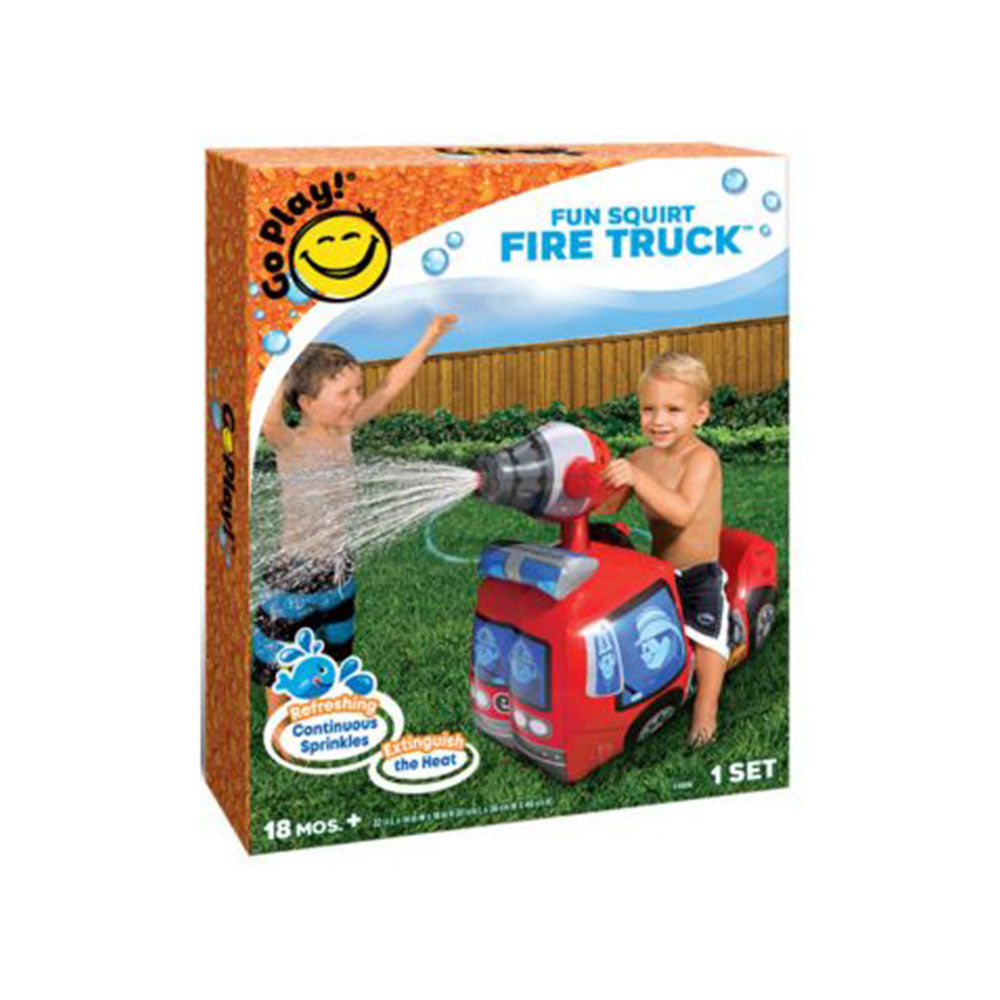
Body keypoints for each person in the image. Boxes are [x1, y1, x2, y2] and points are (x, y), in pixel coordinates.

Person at [254, 314, 459, 714]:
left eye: (357, 390)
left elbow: (389, 387)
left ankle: (321, 711)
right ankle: (279, 724)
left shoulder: (344, 432)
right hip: (295, 570)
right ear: (307, 403)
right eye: (344, 393)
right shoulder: (290, 443)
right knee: (281, 656)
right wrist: (278, 365)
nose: (355, 400)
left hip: (338, 569)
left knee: (333, 648)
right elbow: (269, 419)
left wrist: (428, 338)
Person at [601, 351, 727, 746]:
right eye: (648, 409)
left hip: (699, 572)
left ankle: (706, 708)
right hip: (658, 571)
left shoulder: (702, 459)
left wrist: (637, 479)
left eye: (673, 409)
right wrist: (592, 482)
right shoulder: (640, 458)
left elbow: (682, 513)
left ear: (699, 414)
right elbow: (606, 508)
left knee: (708, 637)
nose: (658, 420)